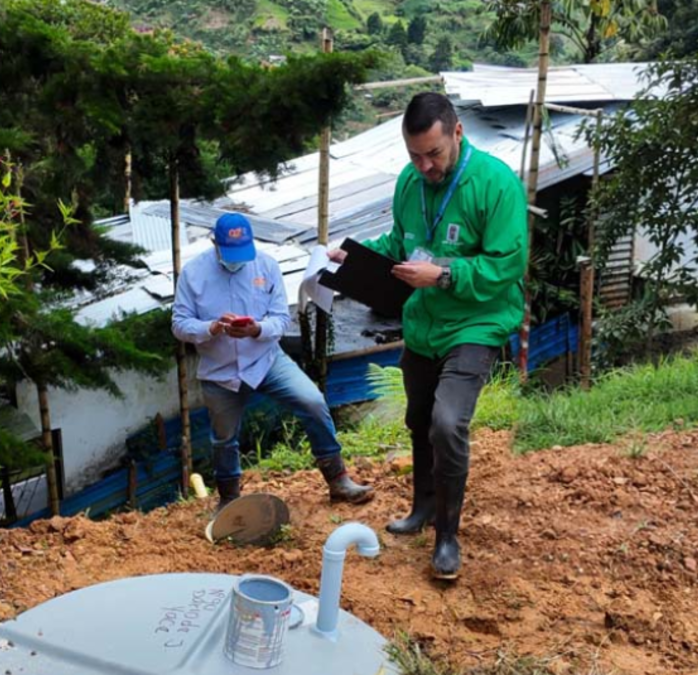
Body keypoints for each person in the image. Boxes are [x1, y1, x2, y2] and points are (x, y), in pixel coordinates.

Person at [329, 92, 528, 580]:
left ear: (457, 133)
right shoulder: (409, 183)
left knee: (446, 422)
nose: (425, 165)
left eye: (434, 154)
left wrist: (440, 275)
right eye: (415, 155)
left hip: (476, 323)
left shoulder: (495, 184)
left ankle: (447, 534)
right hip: (423, 324)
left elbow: (507, 264)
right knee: (419, 420)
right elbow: (400, 244)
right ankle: (422, 507)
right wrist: (354, 256)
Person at [172, 213, 374, 512]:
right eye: (229, 253)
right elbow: (179, 324)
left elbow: (280, 319)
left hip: (265, 359)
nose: (237, 260)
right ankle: (229, 500)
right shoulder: (192, 274)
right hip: (220, 369)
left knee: (313, 402)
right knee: (223, 438)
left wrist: (256, 329)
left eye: (243, 253)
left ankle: (338, 479)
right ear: (215, 243)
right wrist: (211, 328)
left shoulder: (266, 266)